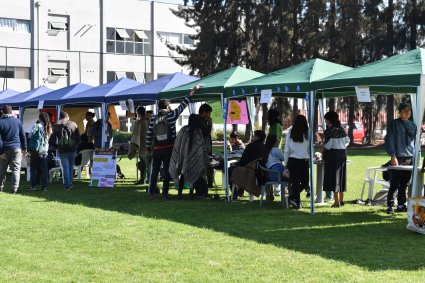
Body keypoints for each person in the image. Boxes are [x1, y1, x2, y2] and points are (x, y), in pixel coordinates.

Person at [146, 84, 200, 199]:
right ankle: (165, 193)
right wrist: (192, 92)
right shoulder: (171, 115)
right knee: (166, 171)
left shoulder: (153, 119)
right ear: (167, 106)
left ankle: (151, 192)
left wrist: (148, 147)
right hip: (169, 148)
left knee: (154, 170)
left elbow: (149, 135)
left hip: (156, 149)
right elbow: (183, 105)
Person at [385, 102, 417, 214]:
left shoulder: (413, 125)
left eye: (409, 110)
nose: (407, 112)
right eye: (405, 110)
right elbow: (389, 140)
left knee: (405, 183)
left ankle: (401, 205)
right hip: (398, 156)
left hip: (410, 157)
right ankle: (389, 205)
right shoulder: (393, 124)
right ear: (399, 112)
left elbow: (415, 142)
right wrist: (393, 155)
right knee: (394, 183)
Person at [169, 114, 209, 198]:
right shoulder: (198, 131)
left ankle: (179, 193)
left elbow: (177, 144)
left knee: (183, 175)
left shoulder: (183, 129)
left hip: (183, 158)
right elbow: (201, 146)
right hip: (195, 158)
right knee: (194, 172)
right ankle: (191, 193)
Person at [322, 111, 350, 208]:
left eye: (326, 119)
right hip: (342, 154)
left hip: (332, 155)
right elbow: (347, 141)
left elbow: (328, 146)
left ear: (329, 120)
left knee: (334, 178)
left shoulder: (329, 131)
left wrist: (323, 146)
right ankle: (341, 200)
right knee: (341, 177)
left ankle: (336, 202)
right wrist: (341, 146)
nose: (325, 121)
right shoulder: (342, 129)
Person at [229, 130, 266, 199]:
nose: (252, 136)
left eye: (254, 135)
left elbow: (243, 161)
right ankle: (240, 191)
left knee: (230, 170)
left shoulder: (250, 146)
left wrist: (235, 164)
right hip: (261, 171)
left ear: (257, 137)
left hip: (250, 171)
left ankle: (234, 193)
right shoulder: (265, 147)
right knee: (239, 168)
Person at [50, 111, 80, 190]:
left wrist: (57, 147)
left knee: (65, 167)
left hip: (62, 149)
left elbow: (51, 139)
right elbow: (78, 138)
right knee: (70, 166)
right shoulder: (74, 124)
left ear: (60, 117)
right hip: (72, 149)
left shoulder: (56, 125)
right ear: (67, 116)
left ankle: (67, 185)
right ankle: (70, 183)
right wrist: (76, 146)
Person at [0, 105, 27, 194]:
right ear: (11, 112)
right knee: (16, 169)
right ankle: (15, 189)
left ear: (2, 112)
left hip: (4, 149)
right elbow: (23, 136)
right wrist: (24, 148)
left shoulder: (1, 122)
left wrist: (0, 152)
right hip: (16, 148)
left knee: (2, 169)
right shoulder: (17, 122)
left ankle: (0, 188)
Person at [284, 115, 309, 209]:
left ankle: (292, 198)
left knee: (300, 183)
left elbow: (286, 150)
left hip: (294, 161)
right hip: (302, 161)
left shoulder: (290, 133)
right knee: (302, 182)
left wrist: (286, 163)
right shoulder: (307, 133)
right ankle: (296, 202)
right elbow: (309, 148)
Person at [28, 112, 52, 192]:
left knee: (33, 168)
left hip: (36, 150)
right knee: (44, 170)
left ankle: (33, 186)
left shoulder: (36, 125)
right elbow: (48, 139)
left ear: (39, 118)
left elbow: (30, 136)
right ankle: (44, 187)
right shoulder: (49, 127)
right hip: (45, 151)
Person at [262, 134, 287, 200]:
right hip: (278, 173)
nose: (278, 142)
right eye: (278, 140)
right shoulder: (276, 150)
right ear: (275, 142)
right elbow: (285, 158)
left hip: (270, 175)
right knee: (295, 176)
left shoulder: (265, 150)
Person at [128, 106, 149, 184]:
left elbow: (136, 135)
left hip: (142, 145)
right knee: (145, 163)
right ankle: (145, 178)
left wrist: (135, 145)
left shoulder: (140, 122)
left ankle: (143, 178)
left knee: (142, 163)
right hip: (148, 145)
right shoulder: (148, 120)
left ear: (139, 113)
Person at [198, 104, 214, 189]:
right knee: (206, 166)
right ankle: (207, 183)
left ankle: (209, 183)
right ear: (204, 112)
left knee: (208, 166)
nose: (210, 115)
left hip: (206, 147)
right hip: (202, 148)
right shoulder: (200, 121)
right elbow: (207, 132)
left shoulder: (202, 120)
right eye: (209, 113)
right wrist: (210, 123)